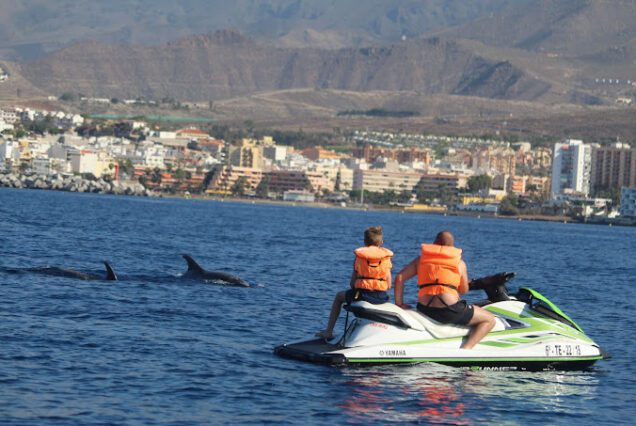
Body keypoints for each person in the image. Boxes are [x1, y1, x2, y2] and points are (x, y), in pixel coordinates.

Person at [393, 230, 495, 349]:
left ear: (434, 244)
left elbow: (399, 278)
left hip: (425, 309)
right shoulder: (459, 263)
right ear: (451, 246)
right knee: (490, 319)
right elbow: (463, 290)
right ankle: (466, 350)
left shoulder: (421, 260)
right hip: (449, 311)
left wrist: (399, 303)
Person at [316, 226, 393, 340]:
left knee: (339, 297)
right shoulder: (386, 258)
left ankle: (328, 331)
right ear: (381, 242)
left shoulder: (359, 257)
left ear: (364, 242)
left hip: (363, 294)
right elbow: (389, 284)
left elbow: (352, 283)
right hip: (380, 296)